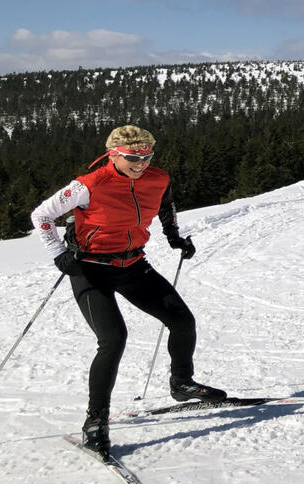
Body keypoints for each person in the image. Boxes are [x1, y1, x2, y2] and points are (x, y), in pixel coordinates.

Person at [30, 125, 226, 458]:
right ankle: (95, 422)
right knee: (113, 339)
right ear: (114, 155)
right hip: (91, 269)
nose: (141, 163)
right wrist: (57, 253)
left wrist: (174, 236)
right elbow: (42, 215)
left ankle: (181, 383)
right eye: (133, 157)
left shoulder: (158, 177)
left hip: (133, 264)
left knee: (182, 321)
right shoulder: (89, 184)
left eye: (147, 156)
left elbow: (165, 204)